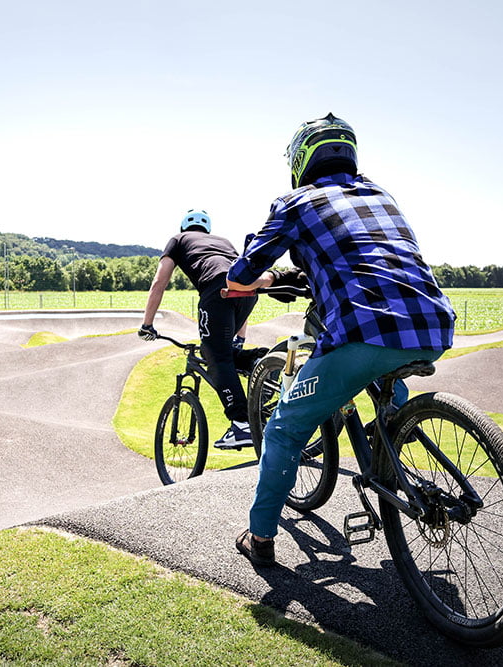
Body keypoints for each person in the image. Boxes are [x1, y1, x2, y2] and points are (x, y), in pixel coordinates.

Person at [226, 113, 456, 566]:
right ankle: (390, 431)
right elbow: (365, 255)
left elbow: (243, 272)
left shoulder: (295, 202)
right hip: (431, 323)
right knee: (379, 364)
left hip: (362, 328)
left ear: (300, 160)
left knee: (285, 427)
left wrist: (245, 280)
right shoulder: (379, 193)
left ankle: (261, 539)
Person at [140, 209, 264, 449]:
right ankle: (261, 361)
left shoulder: (178, 239)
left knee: (214, 356)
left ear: (184, 226)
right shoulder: (224, 242)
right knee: (226, 353)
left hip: (216, 291)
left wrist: (147, 324)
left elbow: (159, 282)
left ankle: (242, 424)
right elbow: (239, 281)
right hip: (247, 291)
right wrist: (241, 337)